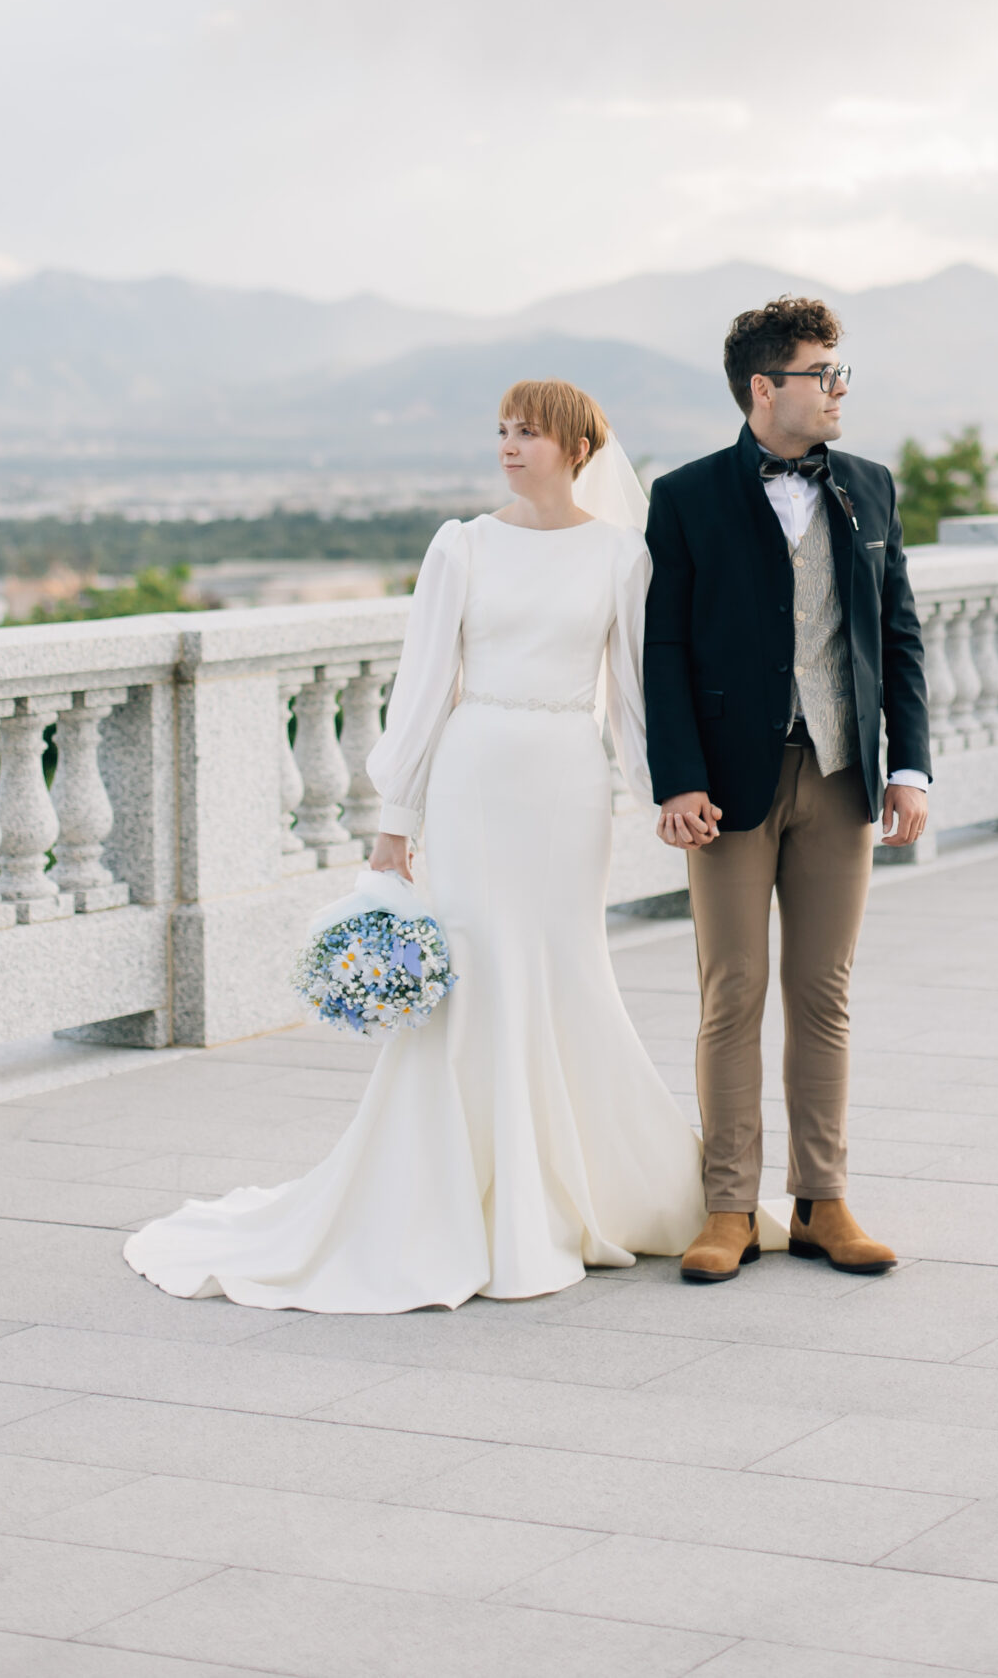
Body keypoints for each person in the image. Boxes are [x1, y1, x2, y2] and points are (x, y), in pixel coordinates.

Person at [124, 378, 705, 1313]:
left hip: (565, 783)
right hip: (476, 781)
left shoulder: (619, 554)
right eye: (503, 431)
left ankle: (580, 1186)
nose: (511, 446)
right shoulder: (462, 545)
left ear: (579, 449)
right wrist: (396, 824)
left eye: (531, 433)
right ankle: (456, 1195)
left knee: (565, 966)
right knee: (475, 975)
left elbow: (630, 694)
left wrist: (662, 797)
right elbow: (426, 683)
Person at [643, 296, 931, 1283]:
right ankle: (729, 1205)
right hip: (728, 786)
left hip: (844, 774)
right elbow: (664, 649)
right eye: (822, 373)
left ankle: (821, 1199)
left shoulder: (869, 487)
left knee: (825, 994)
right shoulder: (682, 497)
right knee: (732, 993)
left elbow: (895, 632)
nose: (838, 389)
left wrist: (908, 765)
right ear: (765, 388)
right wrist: (675, 780)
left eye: (840, 372)